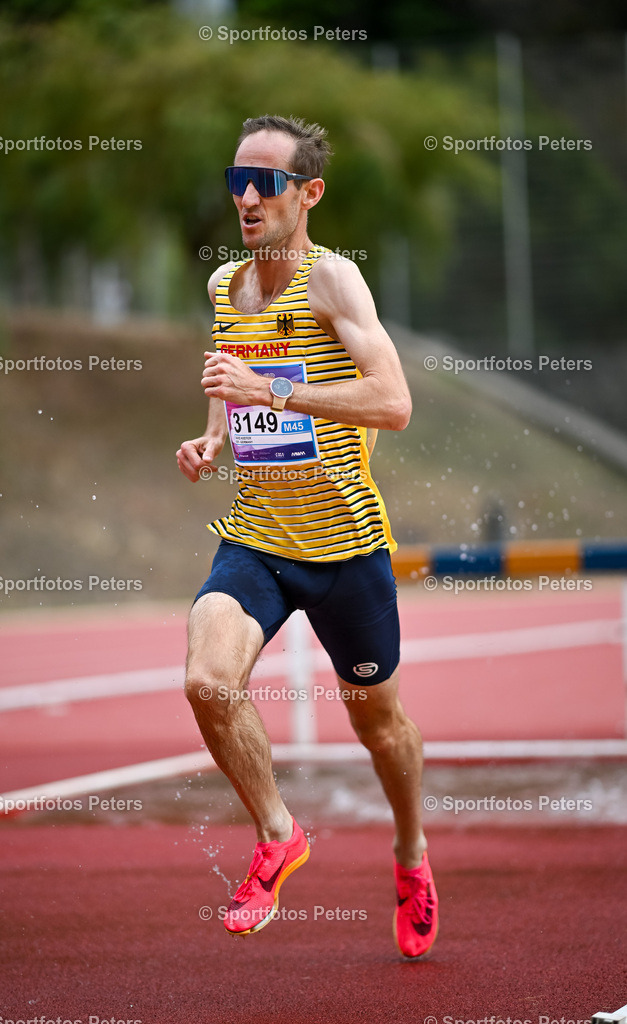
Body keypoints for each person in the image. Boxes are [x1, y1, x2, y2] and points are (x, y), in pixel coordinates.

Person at [176, 114, 438, 958]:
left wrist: (274, 393)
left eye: (267, 183)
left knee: (380, 726)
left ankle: (409, 854)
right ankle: (278, 833)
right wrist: (214, 433)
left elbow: (392, 405)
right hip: (256, 537)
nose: (246, 198)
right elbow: (231, 376)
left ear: (308, 194)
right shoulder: (225, 286)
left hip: (345, 549)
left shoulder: (334, 285)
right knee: (208, 682)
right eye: (236, 182)